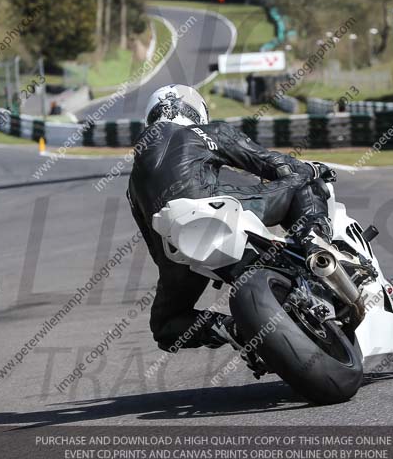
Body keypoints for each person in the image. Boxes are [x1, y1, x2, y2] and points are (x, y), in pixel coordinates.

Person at [127, 84, 335, 352]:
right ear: (195, 111)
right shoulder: (203, 132)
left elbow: (155, 247)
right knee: (303, 181)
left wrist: (175, 269)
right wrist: (309, 170)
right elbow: (271, 163)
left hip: (179, 249)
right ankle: (317, 247)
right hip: (218, 212)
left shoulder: (133, 183)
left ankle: (229, 328)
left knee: (165, 326)